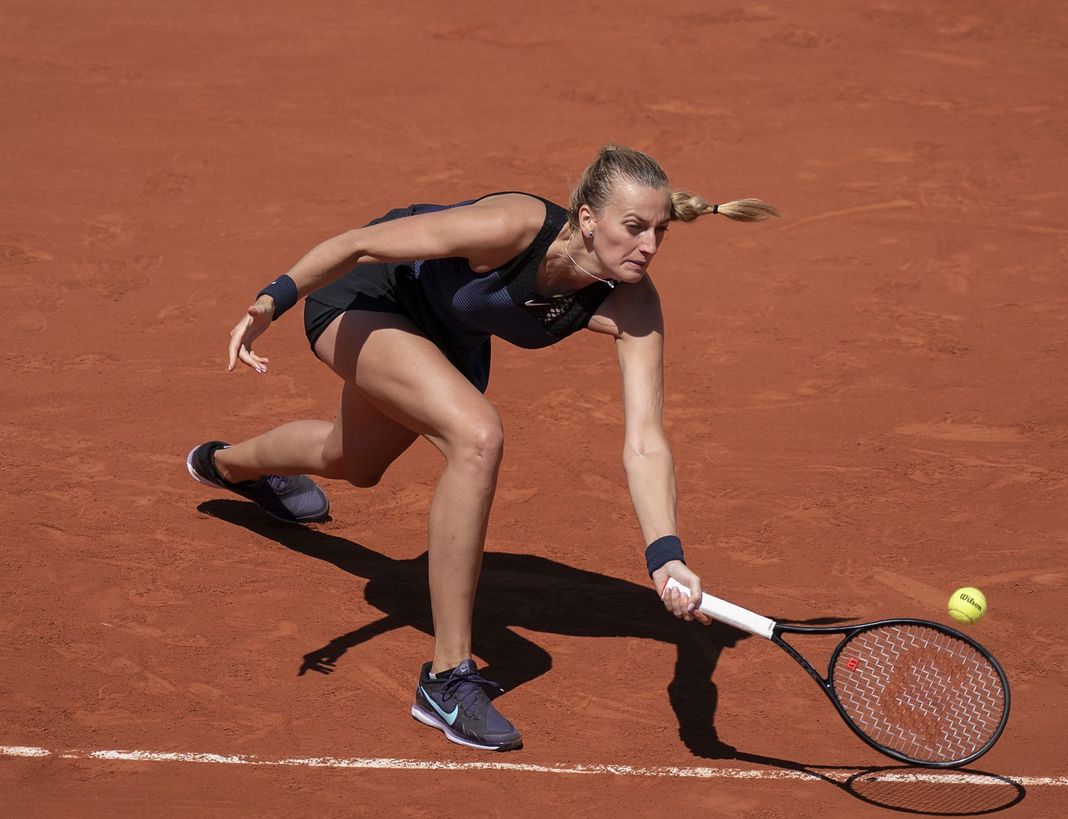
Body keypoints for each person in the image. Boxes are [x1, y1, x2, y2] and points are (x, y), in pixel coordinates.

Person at [186, 144, 779, 751]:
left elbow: (646, 441)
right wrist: (267, 302)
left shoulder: (634, 303)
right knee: (477, 436)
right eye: (634, 228)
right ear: (586, 219)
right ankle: (446, 678)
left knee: (353, 462)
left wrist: (665, 554)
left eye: (658, 232)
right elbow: (357, 245)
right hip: (369, 299)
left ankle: (229, 467)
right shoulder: (515, 224)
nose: (648, 247)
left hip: (448, 342)